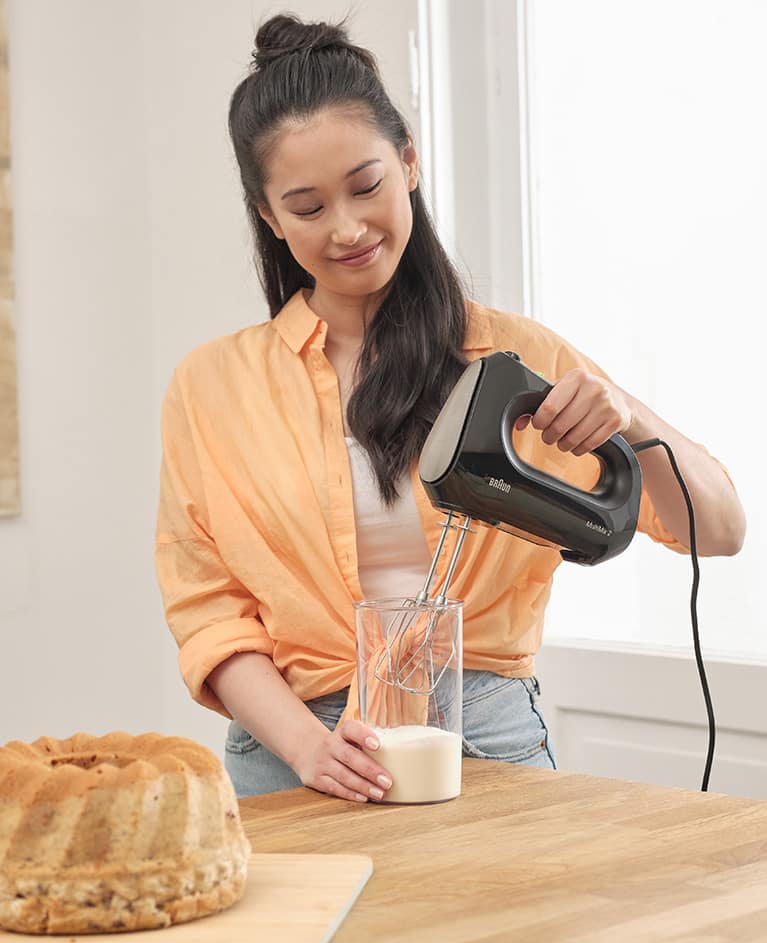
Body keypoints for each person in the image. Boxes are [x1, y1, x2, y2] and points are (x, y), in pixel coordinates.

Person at [155, 13, 746, 803]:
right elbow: (209, 612)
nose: (347, 227)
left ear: (407, 162)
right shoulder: (211, 386)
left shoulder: (514, 359)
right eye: (307, 206)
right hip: (293, 752)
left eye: (366, 185)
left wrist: (627, 416)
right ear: (268, 217)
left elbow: (720, 530)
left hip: (488, 734)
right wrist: (309, 748)